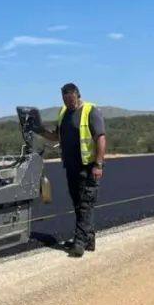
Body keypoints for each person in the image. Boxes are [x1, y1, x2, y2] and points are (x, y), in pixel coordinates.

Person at [39, 82, 107, 257]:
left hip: (88, 167)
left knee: (86, 205)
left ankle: (79, 243)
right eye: (65, 100)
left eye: (71, 99)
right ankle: (88, 240)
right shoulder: (64, 113)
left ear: (77, 95)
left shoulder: (91, 111)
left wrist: (98, 165)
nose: (69, 103)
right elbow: (56, 136)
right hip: (71, 167)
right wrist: (39, 130)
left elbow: (100, 138)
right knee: (78, 205)